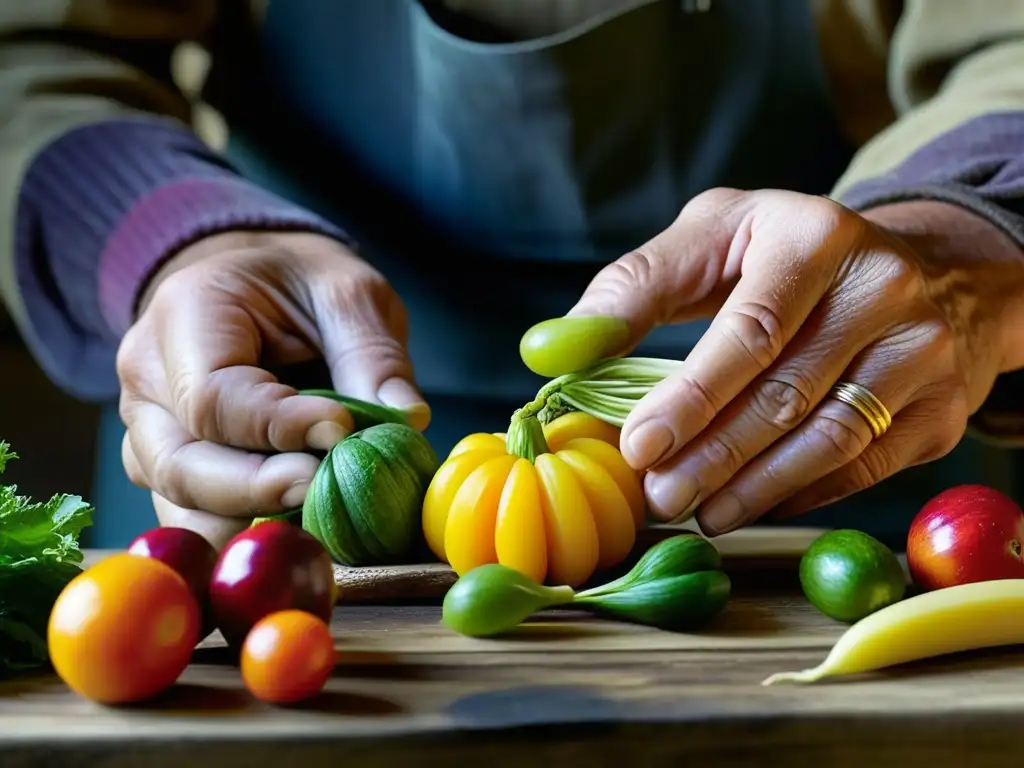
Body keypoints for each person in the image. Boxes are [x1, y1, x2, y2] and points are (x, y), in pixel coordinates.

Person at [3, 0, 1024, 550]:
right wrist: (171, 238)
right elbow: (34, 45)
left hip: (844, 455)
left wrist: (957, 239)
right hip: (259, 459)